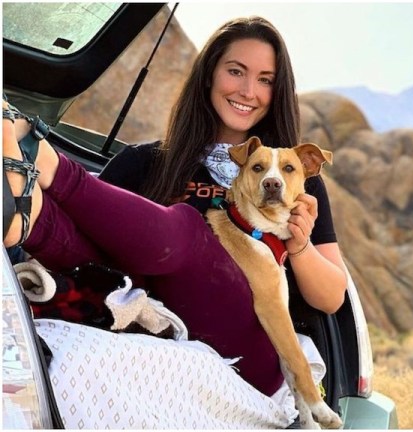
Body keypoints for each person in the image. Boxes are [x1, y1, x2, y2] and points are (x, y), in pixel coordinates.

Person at [2, 16, 347, 399]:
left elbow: (332, 298)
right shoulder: (144, 163)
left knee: (189, 229)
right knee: (114, 253)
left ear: (278, 90)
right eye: (236, 71)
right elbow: (90, 254)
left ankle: (47, 161)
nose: (249, 90)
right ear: (209, 75)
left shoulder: (294, 178)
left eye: (265, 79)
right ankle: (28, 218)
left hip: (252, 348)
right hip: (155, 318)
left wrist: (299, 245)